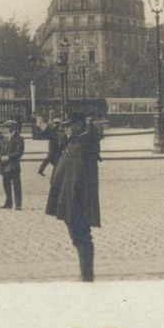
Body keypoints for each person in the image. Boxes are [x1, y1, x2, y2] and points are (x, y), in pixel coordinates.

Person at [45, 111, 102, 282]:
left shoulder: (84, 143)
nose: (66, 129)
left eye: (69, 126)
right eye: (65, 126)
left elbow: (80, 179)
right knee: (77, 235)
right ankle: (85, 273)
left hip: (76, 201)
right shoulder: (75, 142)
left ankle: (87, 275)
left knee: (81, 235)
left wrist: (73, 202)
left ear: (79, 125)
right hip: (69, 198)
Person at [0, 119, 24, 210]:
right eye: (6, 127)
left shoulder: (19, 139)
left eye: (8, 127)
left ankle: (18, 203)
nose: (6, 129)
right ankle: (8, 202)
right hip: (4, 165)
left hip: (13, 165)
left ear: (13, 128)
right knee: (6, 185)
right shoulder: (4, 139)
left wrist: (9, 157)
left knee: (16, 185)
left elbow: (19, 152)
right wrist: (0, 156)